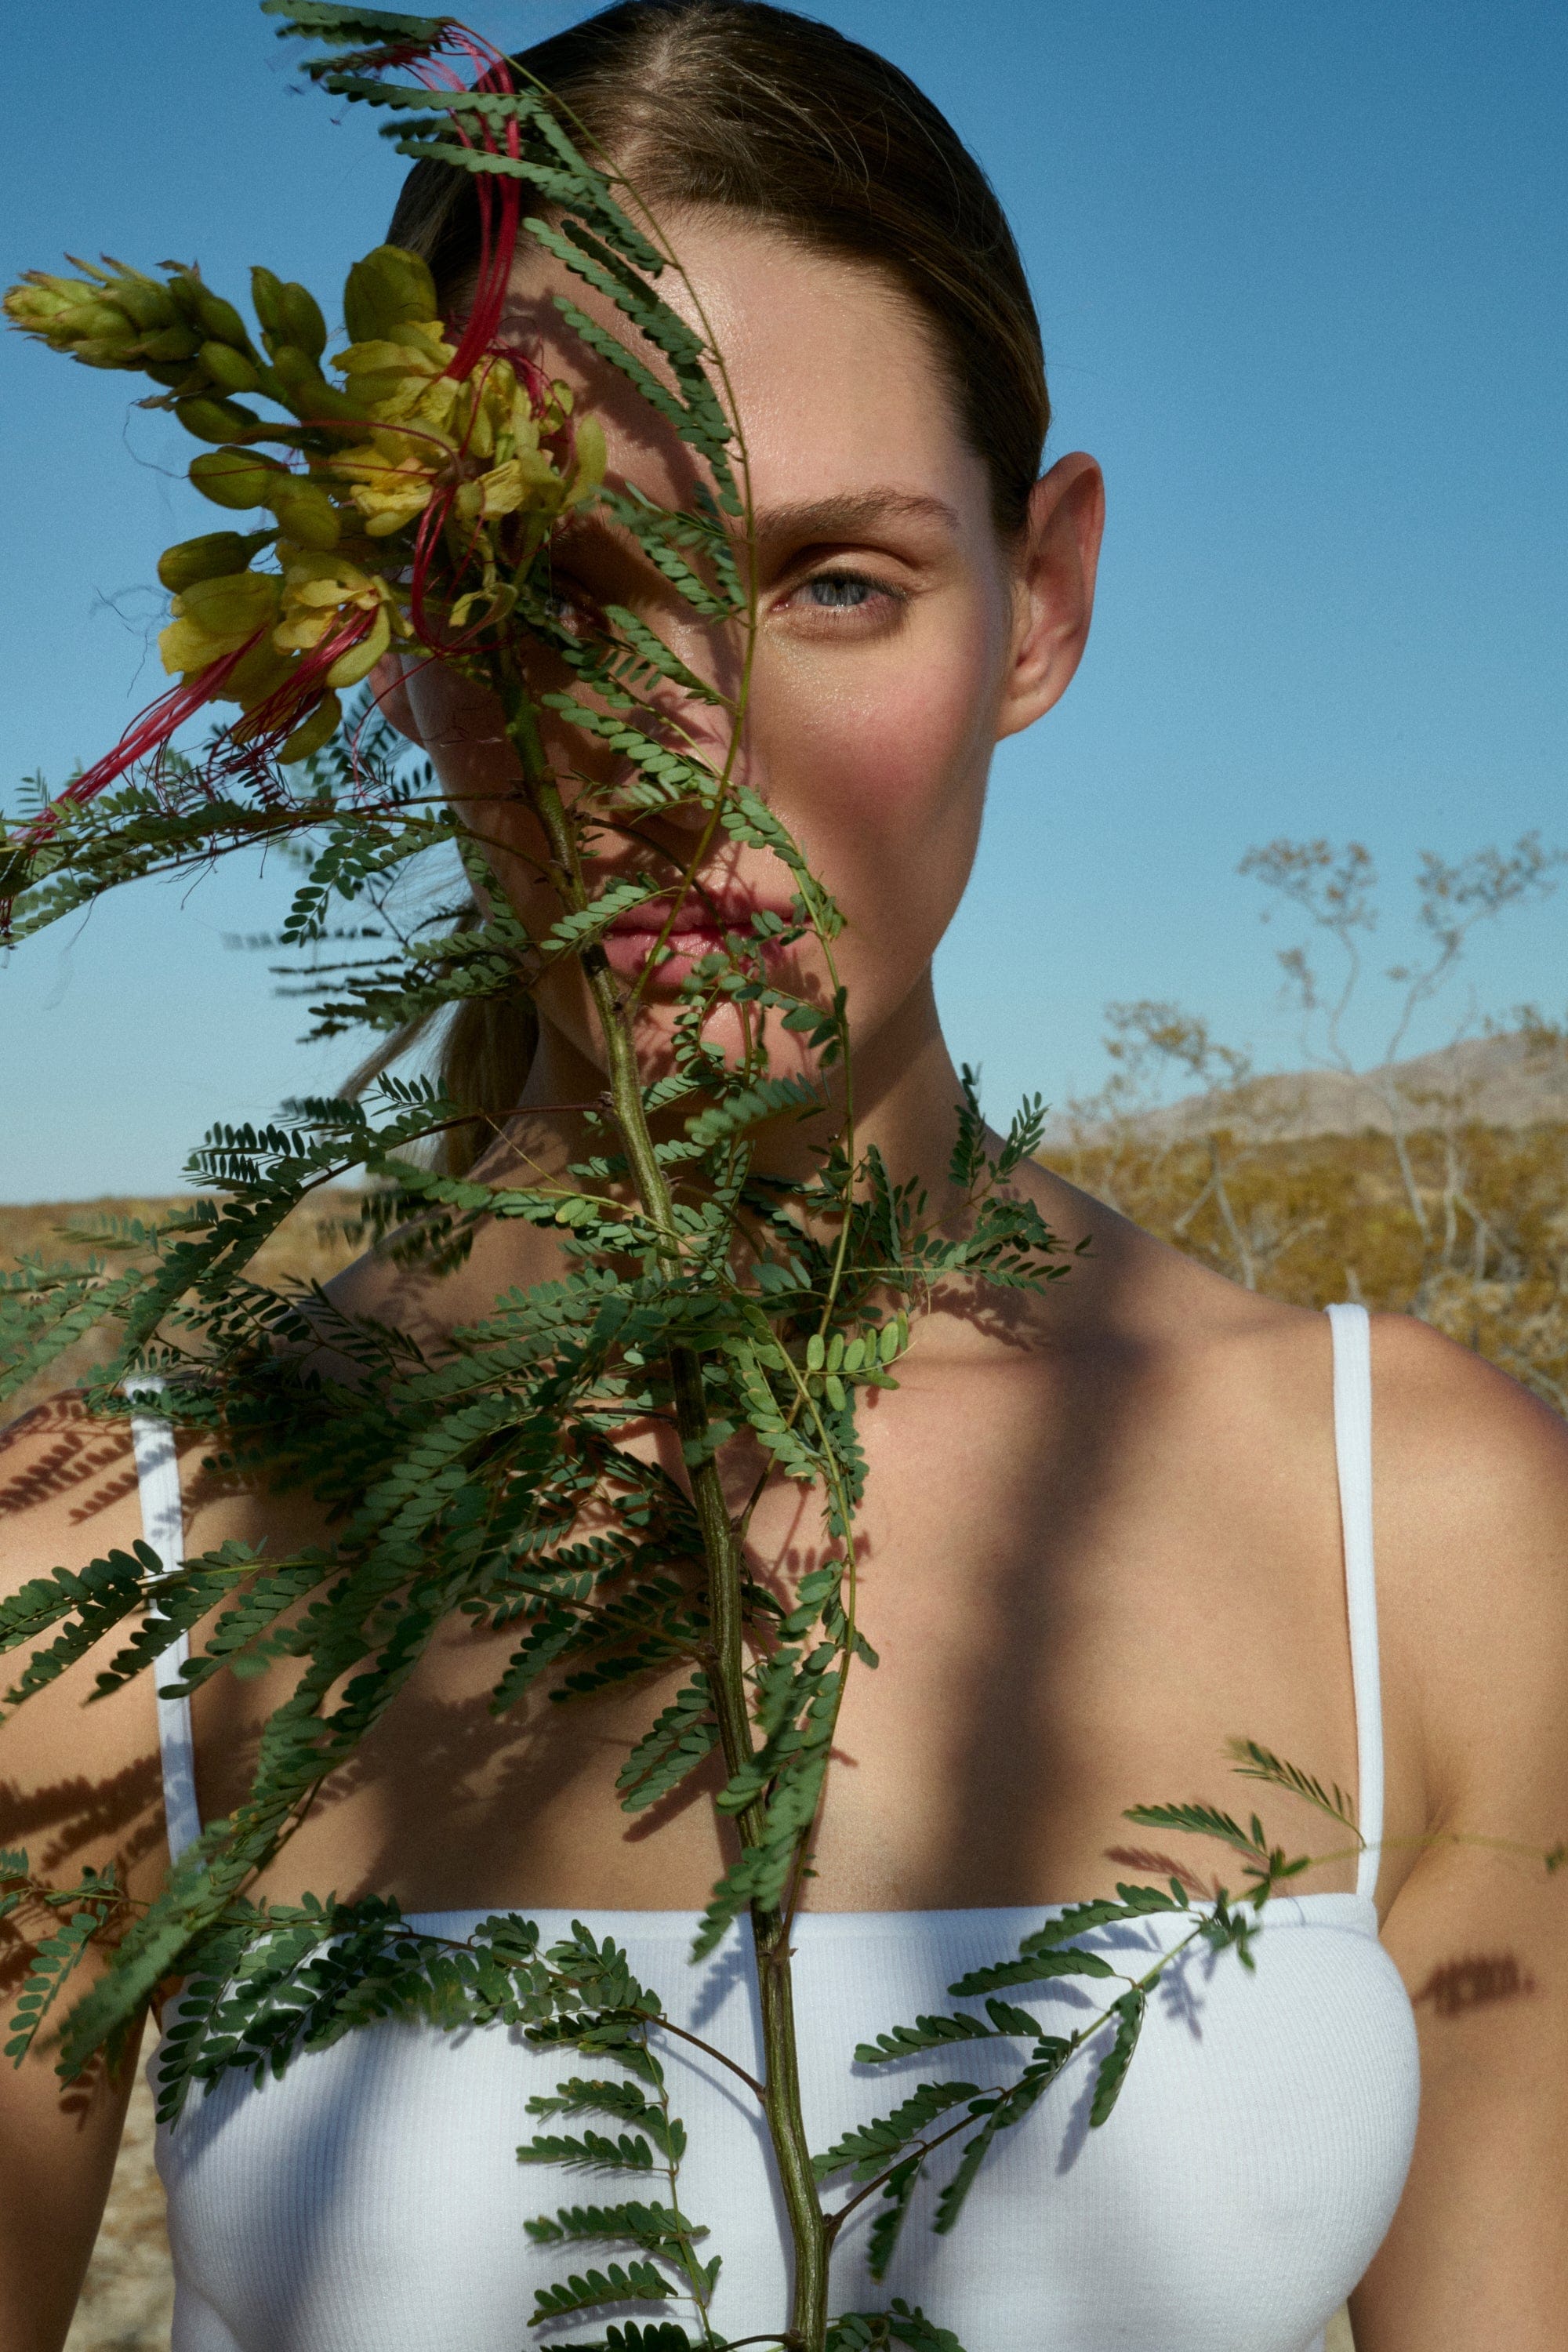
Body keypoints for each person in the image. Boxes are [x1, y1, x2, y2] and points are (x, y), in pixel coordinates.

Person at [3, 5, 1566, 2347]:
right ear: (398, 639)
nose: (683, 743)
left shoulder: (1424, 1523)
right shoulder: (118, 1556)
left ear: (1040, 600)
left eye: (835, 581)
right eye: (547, 592)